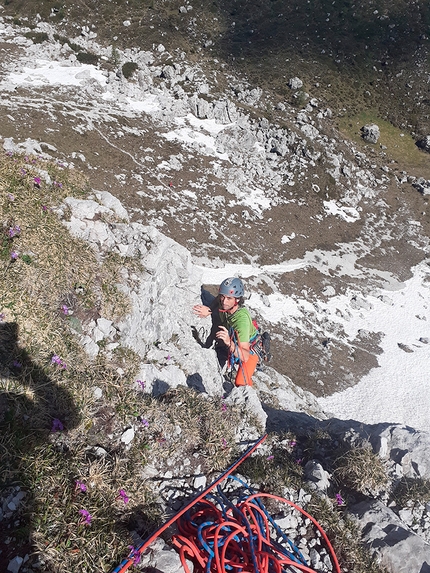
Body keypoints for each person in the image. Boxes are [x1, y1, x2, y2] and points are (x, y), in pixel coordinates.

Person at [193, 277, 258, 387]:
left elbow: (245, 355)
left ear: (237, 299)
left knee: (241, 383)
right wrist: (209, 310)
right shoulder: (224, 301)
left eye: (229, 298)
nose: (224, 301)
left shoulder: (241, 321)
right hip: (234, 340)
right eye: (223, 296)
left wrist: (229, 343)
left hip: (249, 349)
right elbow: (217, 300)